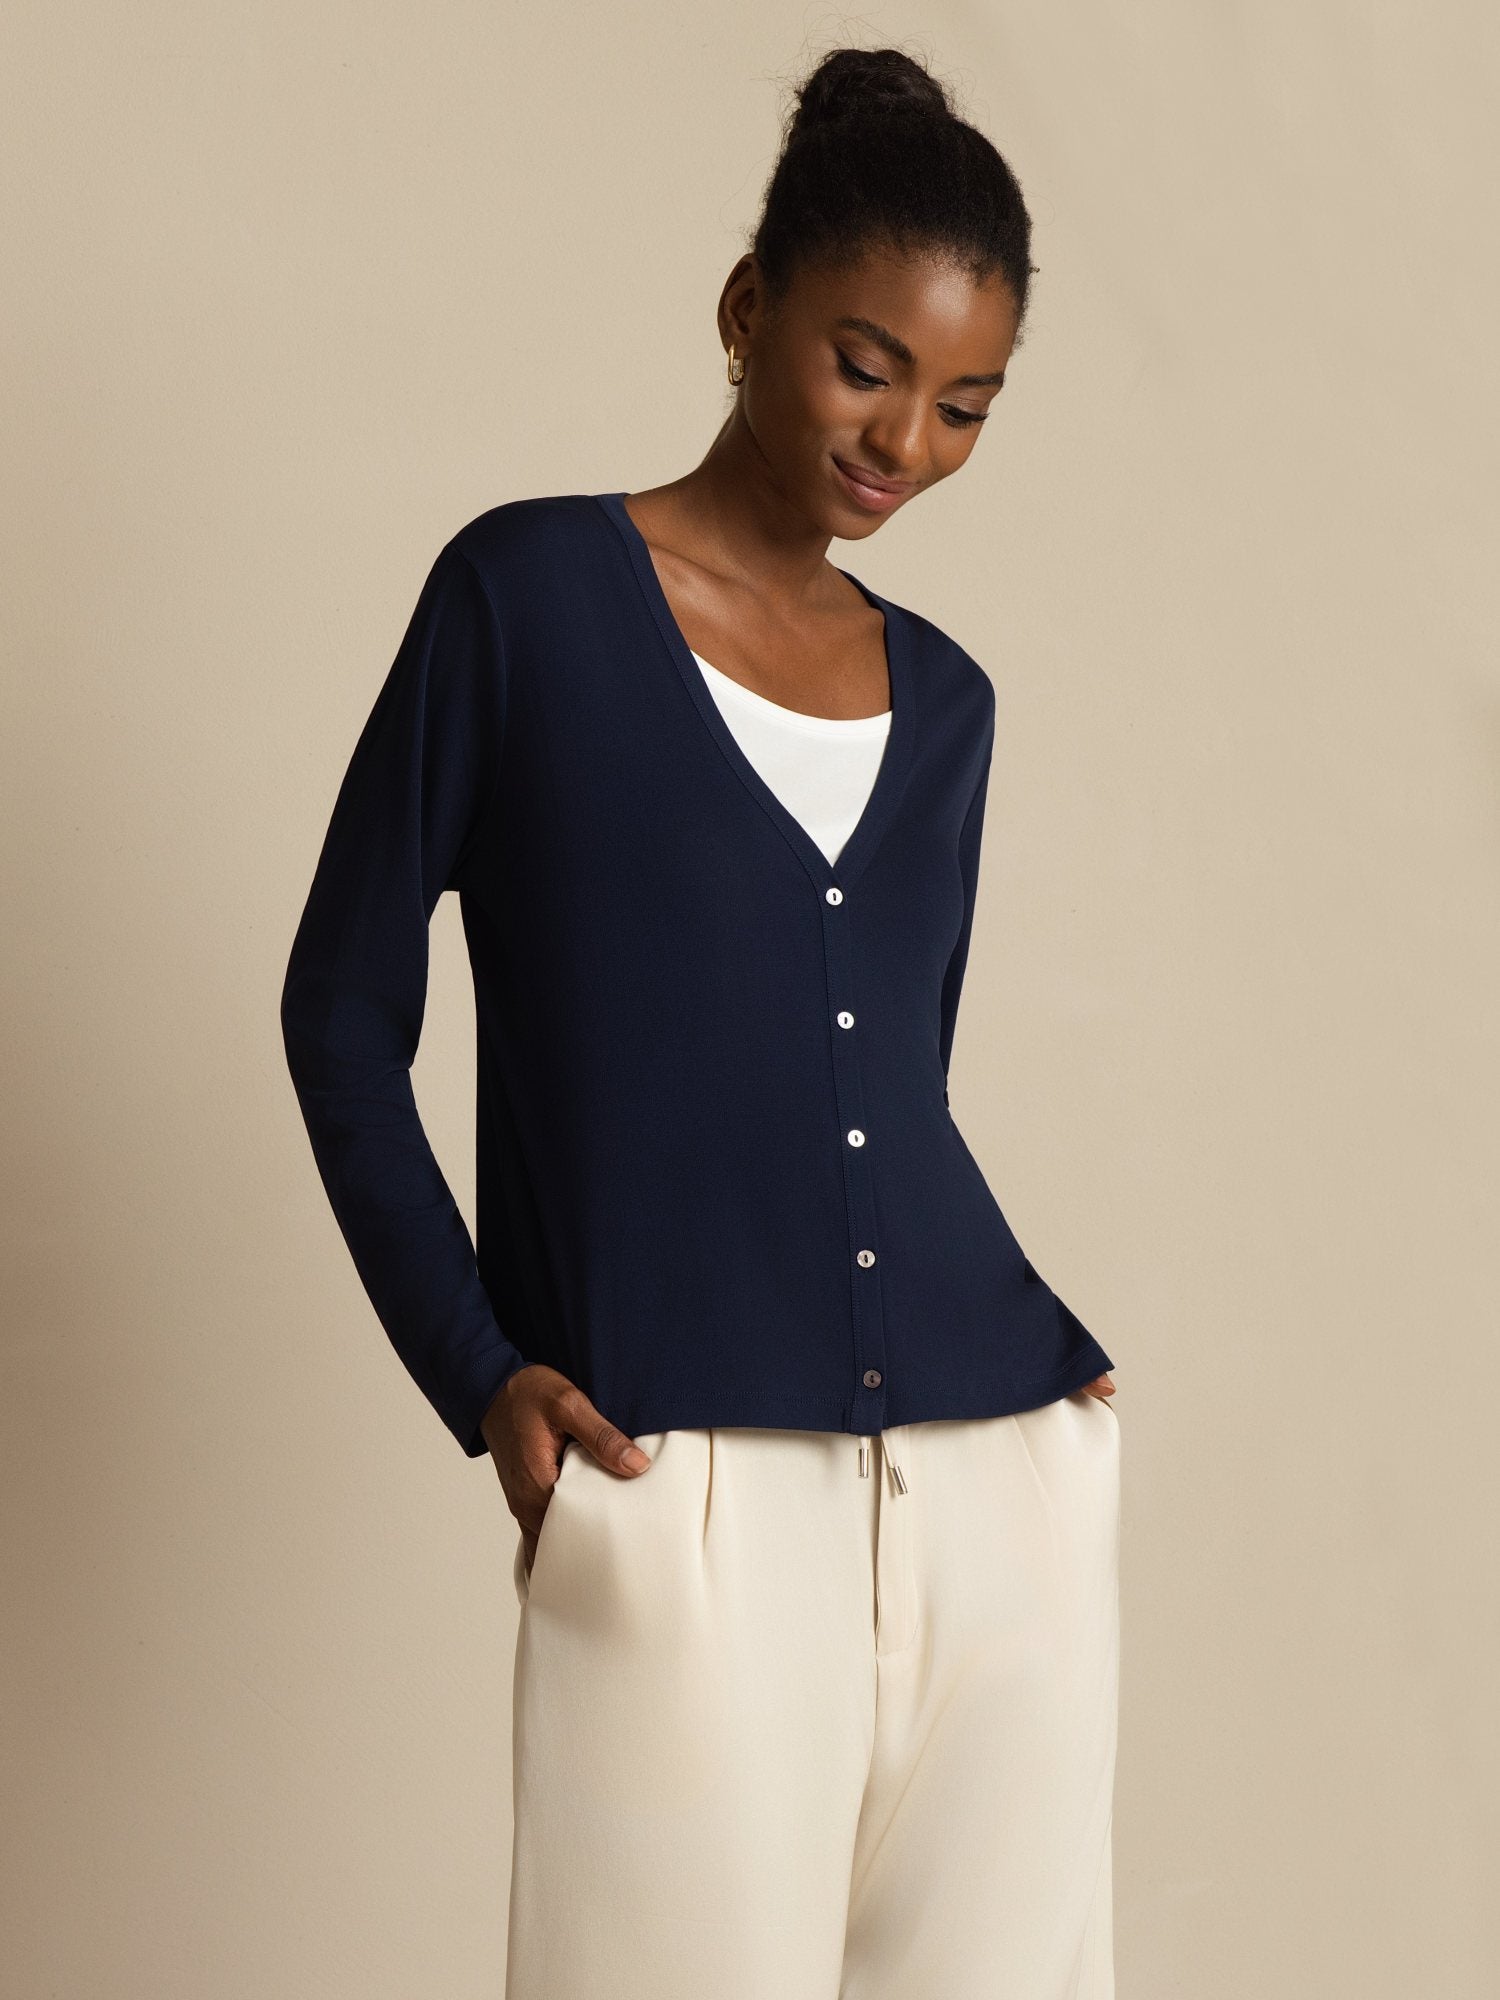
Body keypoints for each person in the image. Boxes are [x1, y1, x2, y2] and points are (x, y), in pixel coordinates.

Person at [280, 41, 1121, 2000]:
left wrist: (1052, 1437)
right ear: (750, 311)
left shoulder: (952, 707)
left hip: (1003, 1473)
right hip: (684, 1482)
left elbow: (888, 1079)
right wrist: (480, 1364)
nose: (904, 441)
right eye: (865, 365)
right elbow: (338, 1007)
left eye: (965, 405)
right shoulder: (525, 599)